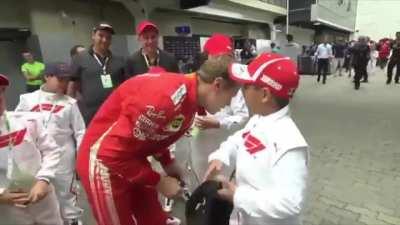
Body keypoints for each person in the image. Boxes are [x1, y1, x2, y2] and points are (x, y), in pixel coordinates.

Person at [76, 55, 240, 225]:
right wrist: (159, 181)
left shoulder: (189, 98)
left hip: (132, 157)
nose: (229, 103)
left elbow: (152, 132)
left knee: (154, 219)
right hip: (103, 161)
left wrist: (167, 161)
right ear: (217, 85)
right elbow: (109, 153)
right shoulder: (166, 98)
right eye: (232, 95)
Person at [204, 53, 309, 225]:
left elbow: (290, 203)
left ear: (265, 95)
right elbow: (239, 140)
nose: (241, 91)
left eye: (246, 86)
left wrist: (237, 196)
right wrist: (221, 155)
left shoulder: (289, 143)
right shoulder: (259, 119)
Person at [15, 63, 86, 225]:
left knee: (66, 192)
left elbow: (81, 131)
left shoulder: (70, 103)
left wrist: (81, 158)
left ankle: (73, 220)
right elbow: (16, 126)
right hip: (35, 156)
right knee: (39, 193)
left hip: (63, 155)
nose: (64, 83)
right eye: (60, 79)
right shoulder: (27, 99)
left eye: (66, 80)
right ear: (47, 76)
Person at [0, 74, 63, 225]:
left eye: (1, 90)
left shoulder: (28, 120)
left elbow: (51, 150)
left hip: (42, 197)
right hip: (7, 206)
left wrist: (44, 180)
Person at [69, 22, 126, 125]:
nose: (104, 40)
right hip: (90, 115)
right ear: (93, 35)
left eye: (108, 37)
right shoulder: (79, 58)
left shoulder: (119, 61)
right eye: (101, 35)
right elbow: (72, 86)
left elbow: (125, 87)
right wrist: (71, 111)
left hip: (115, 113)